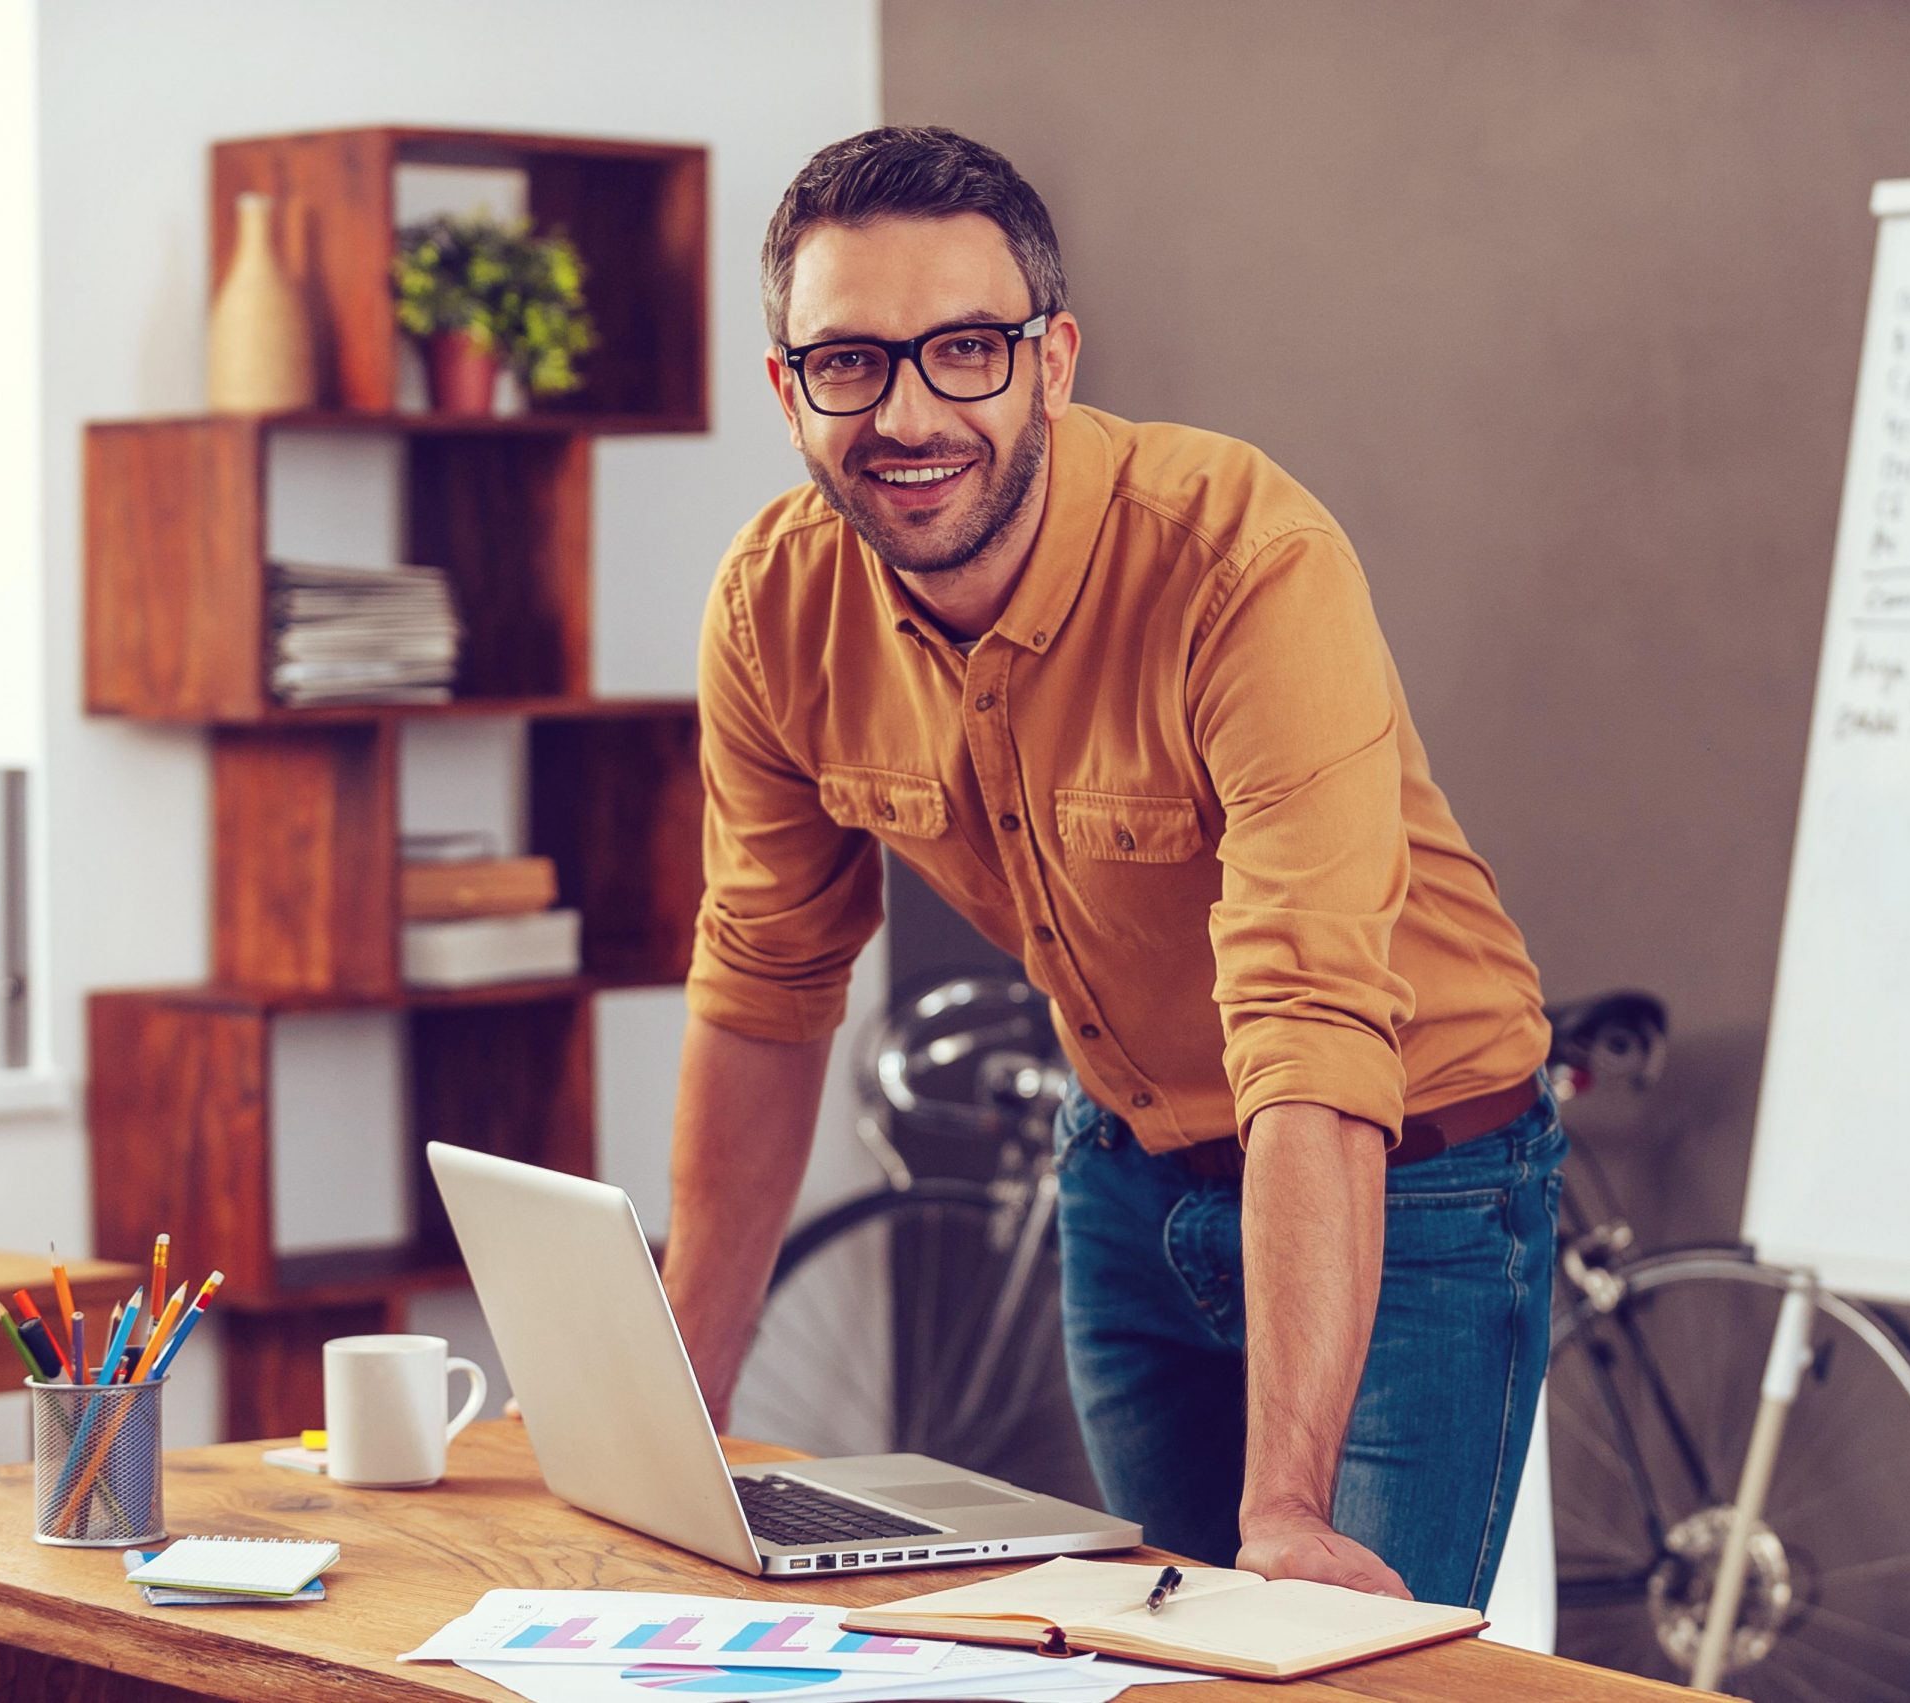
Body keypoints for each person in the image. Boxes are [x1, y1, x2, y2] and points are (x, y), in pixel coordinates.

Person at [659, 125, 1562, 1611]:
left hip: (1414, 1189)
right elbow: (765, 980)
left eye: (963, 349)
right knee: (1165, 1659)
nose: (907, 412)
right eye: (849, 363)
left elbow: (1314, 1030)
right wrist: (673, 1410)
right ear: (787, 389)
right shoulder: (773, 610)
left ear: (1052, 361)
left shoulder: (1243, 564)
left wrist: (1286, 1505)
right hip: (1129, 1178)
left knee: (1336, 1651)